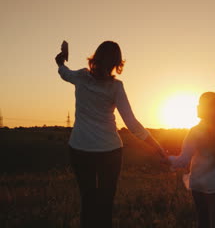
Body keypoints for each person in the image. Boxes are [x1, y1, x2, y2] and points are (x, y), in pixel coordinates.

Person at [55, 40, 167, 228]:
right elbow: (132, 124)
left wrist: (59, 63)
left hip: (80, 149)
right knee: (105, 204)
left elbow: (64, 73)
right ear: (117, 63)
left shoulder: (81, 76)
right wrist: (157, 146)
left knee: (88, 201)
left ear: (95, 57)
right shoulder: (116, 87)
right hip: (110, 151)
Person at [169, 65, 215, 228]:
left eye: (200, 103)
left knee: (203, 222)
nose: (197, 106)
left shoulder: (196, 131)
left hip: (199, 184)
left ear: (207, 108)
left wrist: (165, 157)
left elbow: (183, 161)